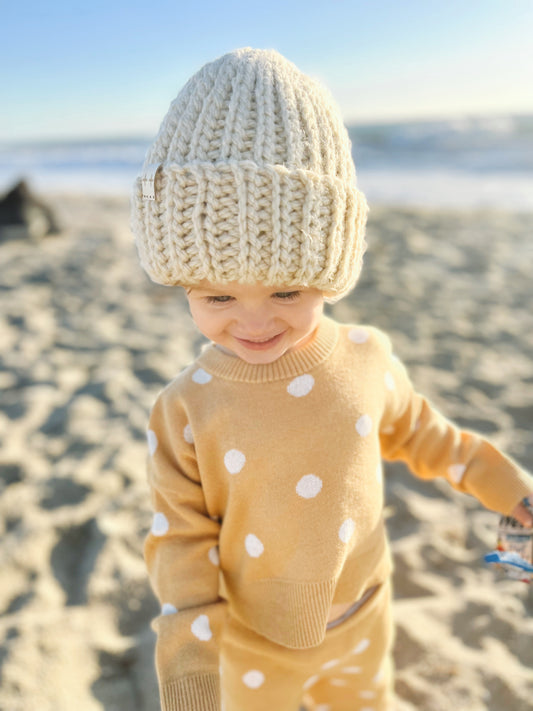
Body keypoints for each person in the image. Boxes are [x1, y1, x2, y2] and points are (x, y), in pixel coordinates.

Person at [131, 47, 533, 711]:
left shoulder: (367, 357)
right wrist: (190, 678)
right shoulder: (184, 408)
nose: (254, 321)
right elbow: (179, 546)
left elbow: (438, 442)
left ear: (330, 271)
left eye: (287, 290)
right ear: (181, 284)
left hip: (367, 611)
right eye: (216, 298)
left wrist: (514, 496)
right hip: (257, 638)